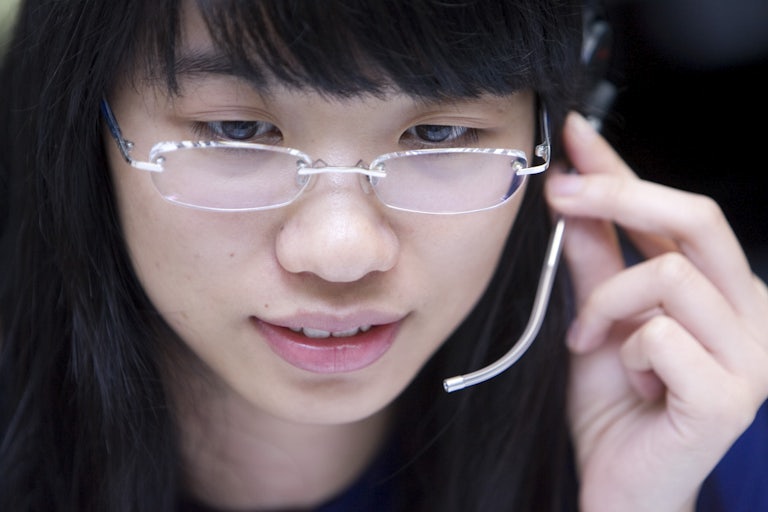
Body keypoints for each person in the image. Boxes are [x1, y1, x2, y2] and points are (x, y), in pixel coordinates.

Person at [0, 1, 766, 511]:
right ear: (82, 125)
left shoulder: (697, 423)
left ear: (561, 136)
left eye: (439, 135)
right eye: (237, 130)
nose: (342, 254)